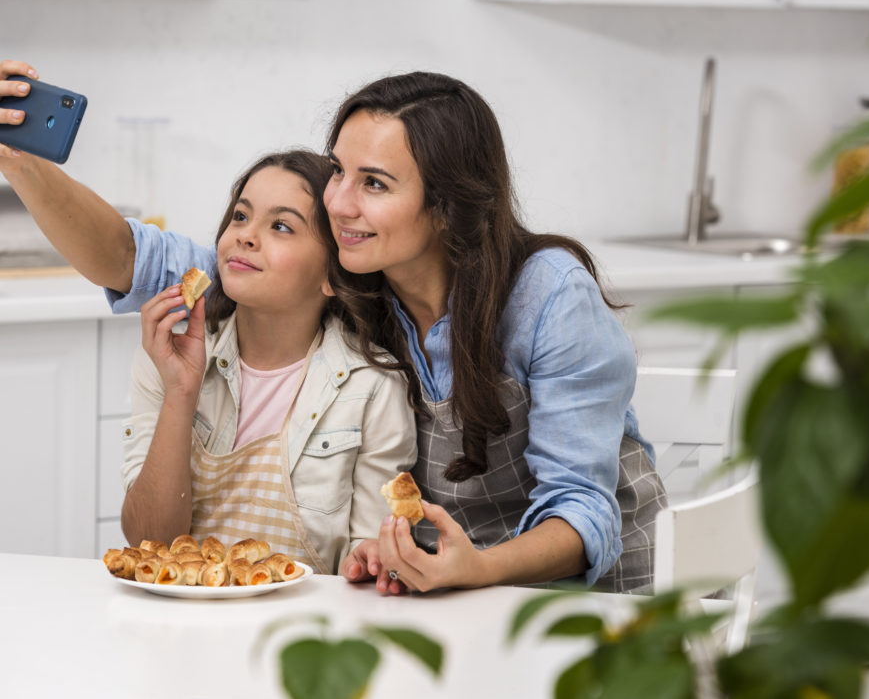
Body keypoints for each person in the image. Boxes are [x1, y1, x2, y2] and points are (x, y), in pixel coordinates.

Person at [0, 61, 666, 594]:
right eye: (339, 171)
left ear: (448, 206)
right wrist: (20, 161)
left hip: (591, 599)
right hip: (441, 587)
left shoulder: (547, 295)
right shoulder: (348, 277)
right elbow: (127, 256)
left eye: (373, 183)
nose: (339, 201)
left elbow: (583, 508)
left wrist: (480, 567)